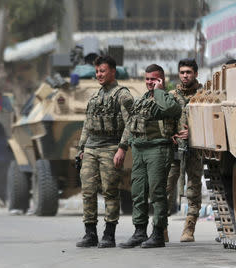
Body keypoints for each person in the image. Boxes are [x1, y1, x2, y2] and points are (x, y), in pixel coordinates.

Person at [120, 64, 181, 249]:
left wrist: (160, 91)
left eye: (153, 79)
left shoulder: (168, 98)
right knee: (138, 192)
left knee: (157, 192)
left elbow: (172, 110)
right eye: (147, 79)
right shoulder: (141, 100)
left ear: (161, 80)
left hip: (158, 148)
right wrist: (122, 147)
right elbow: (130, 124)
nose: (149, 82)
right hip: (139, 149)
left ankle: (158, 234)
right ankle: (139, 232)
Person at [76, 55, 134, 248]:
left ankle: (109, 234)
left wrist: (122, 149)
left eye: (103, 70)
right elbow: (87, 125)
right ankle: (90, 233)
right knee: (88, 191)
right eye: (97, 71)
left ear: (112, 71)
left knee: (110, 191)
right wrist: (81, 148)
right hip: (92, 147)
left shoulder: (123, 95)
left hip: (111, 147)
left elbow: (130, 124)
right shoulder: (94, 96)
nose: (99, 74)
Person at [166, 59, 204, 242]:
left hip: (195, 149)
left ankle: (189, 228)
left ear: (195, 73)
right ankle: (161, 227)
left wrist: (193, 132)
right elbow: (163, 121)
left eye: (188, 72)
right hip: (174, 149)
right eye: (182, 72)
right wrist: (170, 134)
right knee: (166, 187)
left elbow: (212, 121)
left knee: (194, 189)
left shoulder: (204, 95)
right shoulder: (171, 95)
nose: (185, 75)